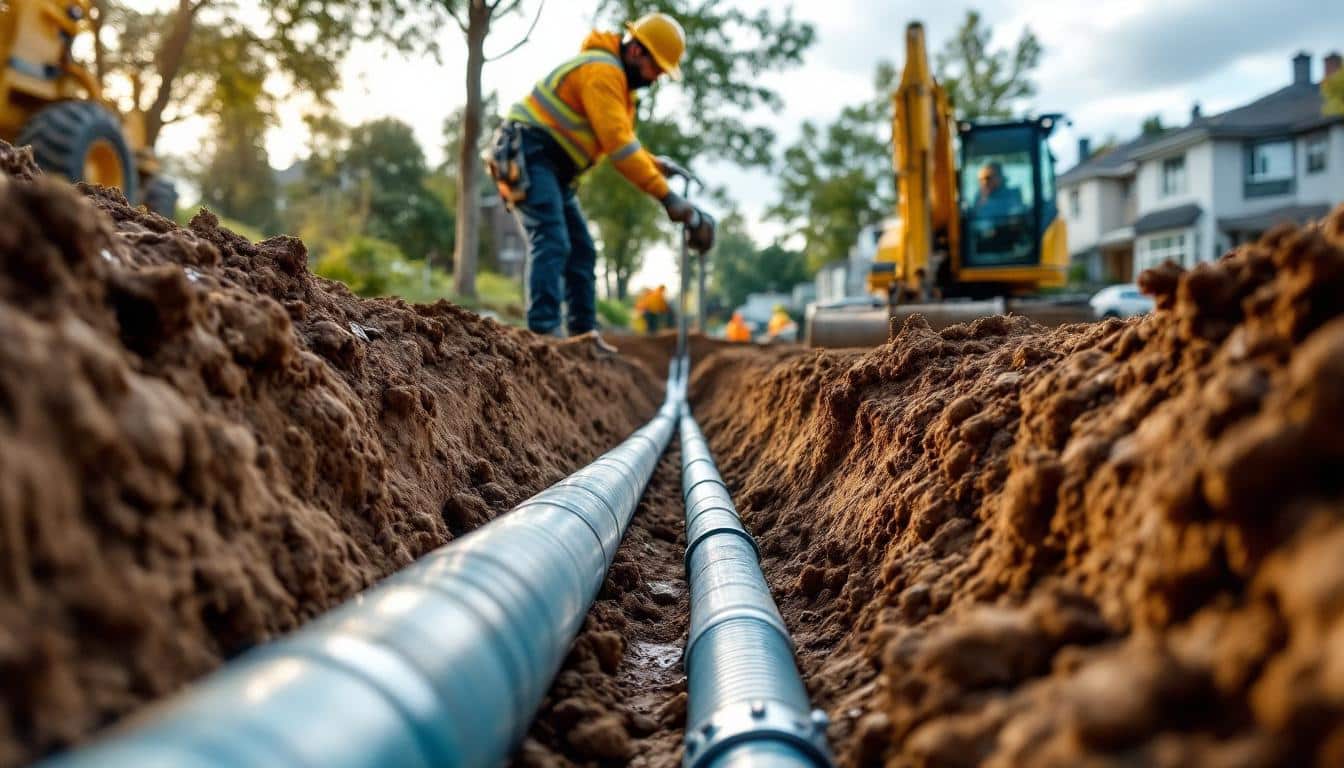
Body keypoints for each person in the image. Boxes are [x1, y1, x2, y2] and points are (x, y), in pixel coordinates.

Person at [498, 12, 713, 353]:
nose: (656, 78)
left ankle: (584, 337)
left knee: (582, 250)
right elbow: (619, 147)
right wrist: (668, 197)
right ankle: (544, 334)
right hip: (528, 152)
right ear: (636, 51)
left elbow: (620, 138)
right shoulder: (603, 72)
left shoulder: (616, 83)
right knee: (552, 239)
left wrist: (656, 165)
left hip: (551, 165)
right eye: (656, 68)